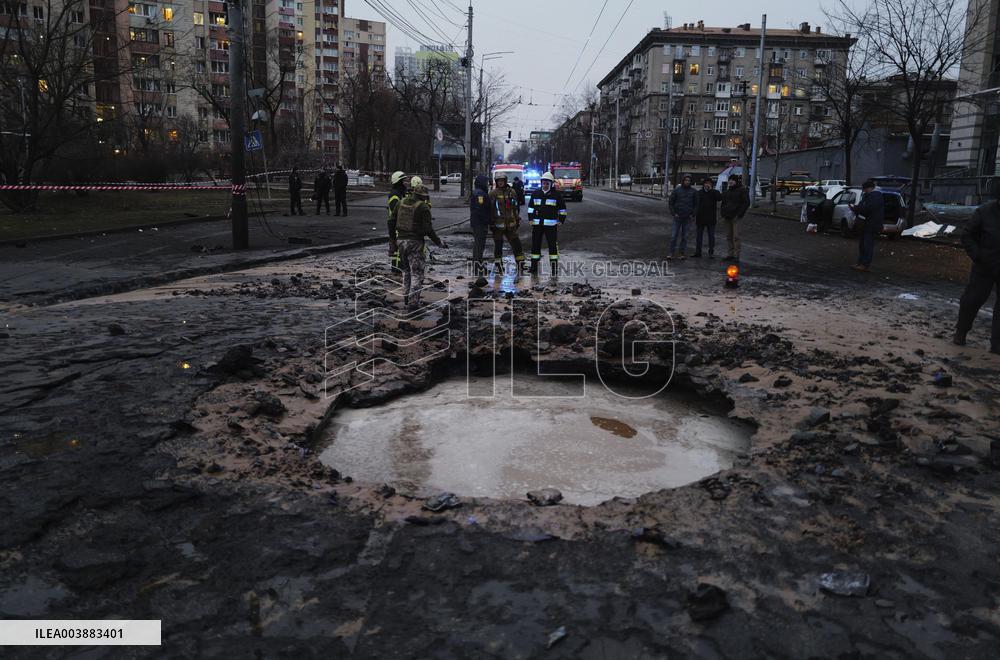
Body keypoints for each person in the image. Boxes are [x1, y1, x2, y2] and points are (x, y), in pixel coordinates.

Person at [954, 183, 1000, 354]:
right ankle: (961, 331)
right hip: (985, 265)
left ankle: (997, 344)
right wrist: (978, 255)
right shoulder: (984, 212)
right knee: (972, 299)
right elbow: (967, 235)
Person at [395, 176, 447, 310]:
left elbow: (391, 221)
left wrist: (391, 239)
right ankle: (413, 303)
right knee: (417, 273)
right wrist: (438, 242)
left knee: (406, 270)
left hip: (400, 240)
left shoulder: (401, 203)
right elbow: (428, 229)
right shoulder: (423, 207)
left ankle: (406, 297)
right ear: (423, 196)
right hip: (415, 242)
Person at [527, 171, 567, 275]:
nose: (545, 185)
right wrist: (530, 219)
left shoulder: (556, 195)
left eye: (547, 183)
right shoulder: (536, 193)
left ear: (551, 184)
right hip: (537, 225)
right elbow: (530, 208)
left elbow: (562, 209)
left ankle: (554, 268)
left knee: (552, 247)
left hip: (551, 226)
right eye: (543, 183)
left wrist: (561, 220)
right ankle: (534, 267)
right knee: (535, 246)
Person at [489, 173, 525, 273]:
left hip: (511, 225)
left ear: (505, 181)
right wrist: (491, 223)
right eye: (498, 181)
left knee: (517, 245)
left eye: (502, 181)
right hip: (498, 225)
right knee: (498, 246)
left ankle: (520, 265)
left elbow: (515, 207)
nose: (500, 182)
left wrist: (517, 219)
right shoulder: (493, 193)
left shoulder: (511, 192)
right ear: (496, 182)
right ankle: (498, 265)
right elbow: (490, 209)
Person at [849, 179, 883, 272]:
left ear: (870, 188)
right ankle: (861, 263)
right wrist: (857, 208)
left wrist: (857, 208)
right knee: (863, 245)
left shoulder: (875, 197)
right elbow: (864, 207)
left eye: (865, 189)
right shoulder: (868, 196)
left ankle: (865, 264)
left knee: (867, 245)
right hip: (866, 224)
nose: (864, 191)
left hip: (871, 224)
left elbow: (868, 208)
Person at [720, 174, 750, 262]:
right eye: (730, 180)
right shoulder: (727, 192)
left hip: (736, 217)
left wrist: (740, 214)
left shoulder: (742, 190)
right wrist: (723, 213)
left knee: (736, 236)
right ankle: (730, 254)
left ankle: (736, 256)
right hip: (727, 216)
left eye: (733, 180)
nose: (731, 181)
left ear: (736, 181)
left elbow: (746, 203)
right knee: (729, 236)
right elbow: (723, 203)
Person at [668, 174, 698, 260]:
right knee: (674, 236)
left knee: (685, 237)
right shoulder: (677, 191)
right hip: (677, 217)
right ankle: (671, 253)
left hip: (688, 218)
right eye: (686, 180)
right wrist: (674, 213)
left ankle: (682, 253)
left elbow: (696, 205)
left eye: (689, 180)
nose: (687, 182)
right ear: (683, 181)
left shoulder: (694, 192)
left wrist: (693, 214)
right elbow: (671, 202)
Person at [469, 173, 492, 276]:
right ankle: (478, 268)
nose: (487, 184)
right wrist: (487, 219)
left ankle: (478, 266)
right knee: (479, 246)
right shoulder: (480, 194)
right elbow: (480, 210)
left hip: (478, 223)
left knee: (479, 246)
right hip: (480, 224)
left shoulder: (479, 192)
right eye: (486, 182)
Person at [693, 178, 722, 258]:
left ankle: (711, 252)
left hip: (711, 218)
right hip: (700, 218)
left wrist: (712, 190)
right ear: (703, 184)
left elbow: (719, 198)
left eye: (709, 183)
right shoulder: (699, 193)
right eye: (706, 183)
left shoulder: (714, 192)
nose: (707, 184)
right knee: (699, 236)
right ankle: (698, 252)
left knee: (711, 236)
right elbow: (695, 204)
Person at [387, 170, 406, 270]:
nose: (404, 184)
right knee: (398, 248)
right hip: (395, 225)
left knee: (397, 248)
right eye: (402, 182)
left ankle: (396, 268)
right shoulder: (395, 196)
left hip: (397, 224)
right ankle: (397, 268)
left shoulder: (399, 194)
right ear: (398, 183)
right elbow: (397, 211)